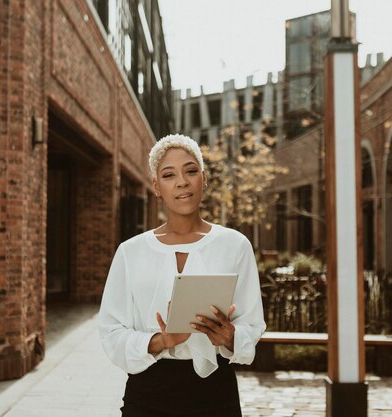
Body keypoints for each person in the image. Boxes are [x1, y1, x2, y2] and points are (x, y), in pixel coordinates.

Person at [98, 134, 266, 417]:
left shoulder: (235, 245)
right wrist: (162, 341)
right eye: (168, 175)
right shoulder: (131, 252)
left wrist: (230, 337)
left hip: (216, 392)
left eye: (190, 171)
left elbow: (252, 322)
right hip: (148, 392)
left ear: (204, 178)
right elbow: (111, 332)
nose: (182, 182)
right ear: (156, 187)